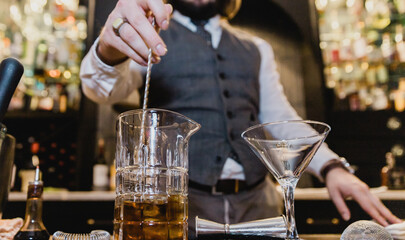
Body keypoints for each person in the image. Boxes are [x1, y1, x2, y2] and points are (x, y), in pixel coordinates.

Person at [80, 0, 402, 237]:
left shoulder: (256, 47)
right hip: (187, 210)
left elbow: (280, 117)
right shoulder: (148, 37)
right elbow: (100, 88)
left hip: (259, 205)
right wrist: (109, 46)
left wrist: (331, 167)